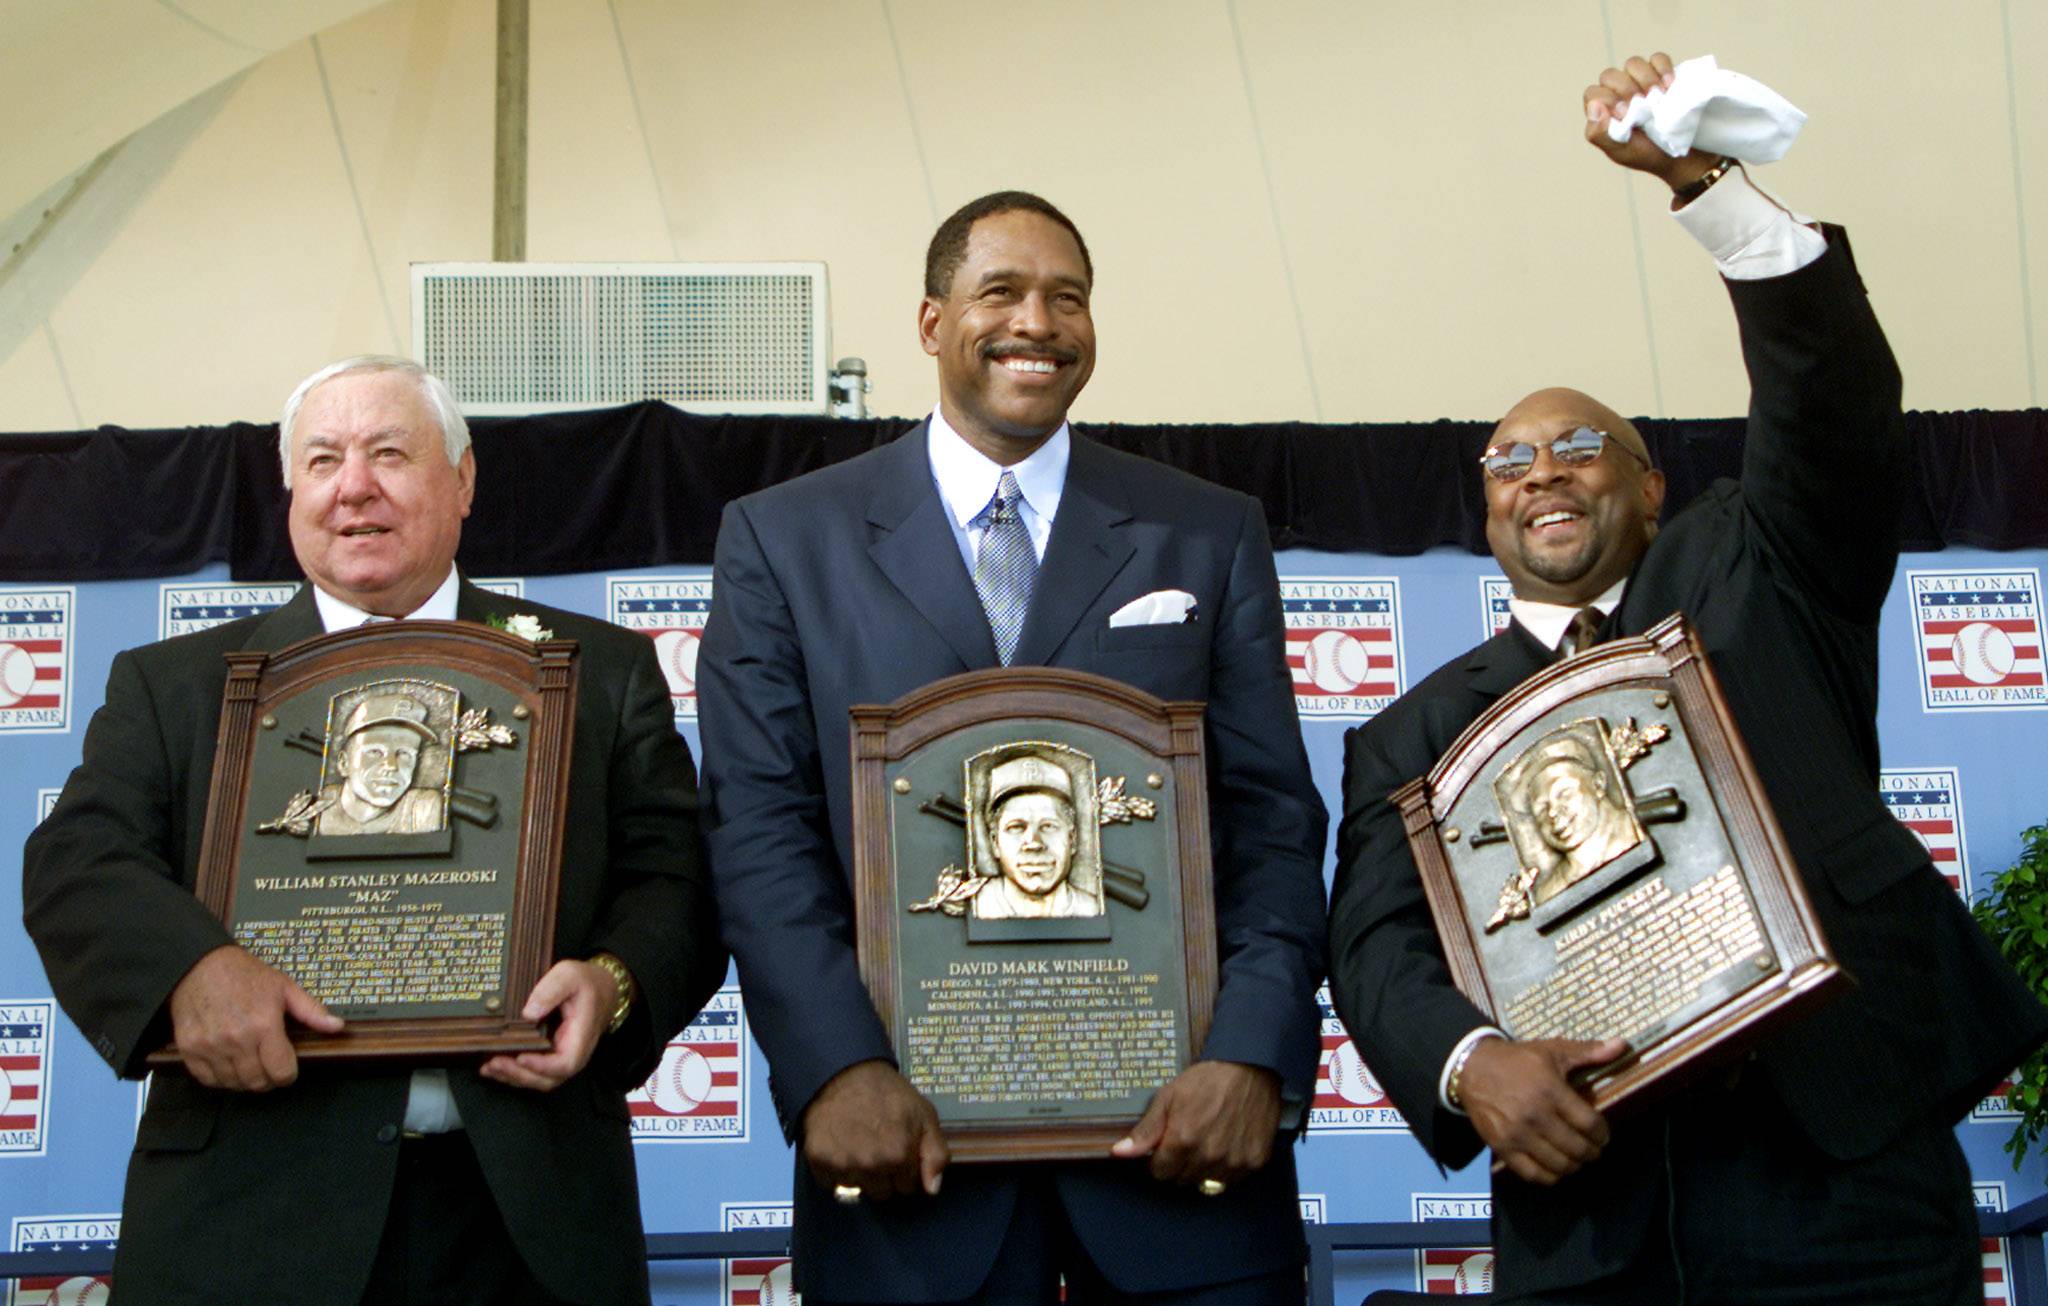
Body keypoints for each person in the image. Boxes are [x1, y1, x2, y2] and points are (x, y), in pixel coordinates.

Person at [1327, 54, 2048, 1304]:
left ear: (1651, 488)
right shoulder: (1412, 731)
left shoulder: (1751, 571)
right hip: (1585, 1220)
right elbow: (1377, 946)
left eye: (1580, 446)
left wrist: (1702, 184)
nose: (1542, 471)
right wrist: (1467, 1062)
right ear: (1483, 510)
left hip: (1842, 1186)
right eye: (1508, 461)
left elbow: (1832, 405)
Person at [697, 191, 1328, 1303]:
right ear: (932, 321)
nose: (1037, 321)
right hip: (907, 1169)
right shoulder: (782, 537)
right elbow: (756, 829)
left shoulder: (1206, 530)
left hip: (1183, 1163)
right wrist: (834, 1069)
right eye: (1001, 291)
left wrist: (1253, 1057)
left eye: (1067, 297)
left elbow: (1273, 819)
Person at [22, 355, 726, 1305]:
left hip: (525, 1220)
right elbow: (75, 862)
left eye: (390, 452)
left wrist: (613, 981)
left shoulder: (598, 669)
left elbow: (674, 878)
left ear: (463, 479)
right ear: (290, 491)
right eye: (321, 461)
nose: (353, 486)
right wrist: (191, 969)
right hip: (248, 1220)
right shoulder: (173, 685)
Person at [316, 692, 448, 836]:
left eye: (404, 754)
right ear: (343, 763)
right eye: (374, 752)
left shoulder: (422, 811)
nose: (391, 765)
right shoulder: (322, 809)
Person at [975, 761, 1093, 921]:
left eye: (1048, 826)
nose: (1034, 843)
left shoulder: (1089, 908)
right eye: (1016, 827)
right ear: (995, 842)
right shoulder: (978, 904)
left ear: (1072, 839)